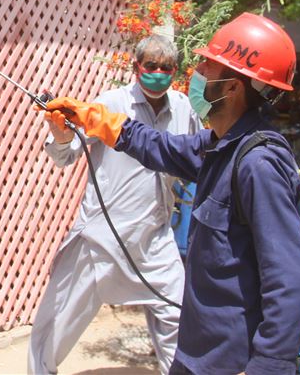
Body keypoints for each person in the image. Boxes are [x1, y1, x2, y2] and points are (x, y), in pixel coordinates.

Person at [44, 13, 300, 374]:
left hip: (229, 360)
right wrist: (96, 119)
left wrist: (270, 365)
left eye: (208, 65)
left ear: (233, 88)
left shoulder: (258, 164)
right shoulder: (219, 146)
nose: (197, 70)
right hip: (197, 350)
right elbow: (161, 147)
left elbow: (290, 278)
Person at [28, 36, 202, 375]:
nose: (157, 73)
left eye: (165, 68)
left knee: (179, 316)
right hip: (101, 238)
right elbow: (65, 155)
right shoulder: (110, 103)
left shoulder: (184, 108)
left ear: (175, 71)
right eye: (151, 66)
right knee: (57, 324)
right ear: (136, 67)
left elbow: (195, 157)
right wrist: (61, 134)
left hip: (155, 239)